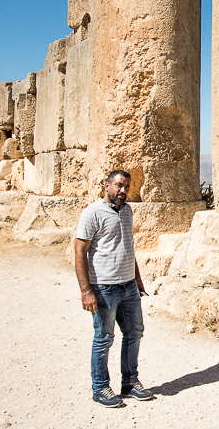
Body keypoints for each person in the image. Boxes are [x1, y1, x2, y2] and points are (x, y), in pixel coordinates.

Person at [75, 170, 155, 407]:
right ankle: (100, 388)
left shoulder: (127, 211)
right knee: (104, 338)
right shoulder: (92, 213)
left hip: (128, 285)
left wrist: (137, 280)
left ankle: (130, 382)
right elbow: (80, 252)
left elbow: (128, 247)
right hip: (104, 287)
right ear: (106, 185)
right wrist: (86, 291)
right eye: (119, 185)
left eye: (126, 187)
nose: (123, 190)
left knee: (135, 333)